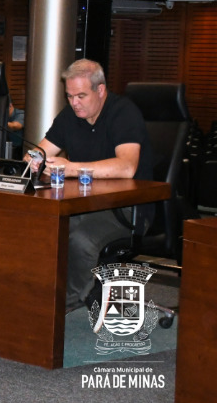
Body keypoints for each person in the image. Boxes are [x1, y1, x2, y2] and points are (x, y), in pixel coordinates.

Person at [30, 59, 154, 312]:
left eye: (81, 96)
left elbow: (126, 167)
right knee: (43, 225)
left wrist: (71, 168)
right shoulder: (70, 115)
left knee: (80, 239)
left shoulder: (123, 113)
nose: (74, 102)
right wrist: (35, 162)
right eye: (69, 96)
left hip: (127, 209)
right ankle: (39, 293)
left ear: (101, 90)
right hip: (82, 203)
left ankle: (64, 305)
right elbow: (39, 152)